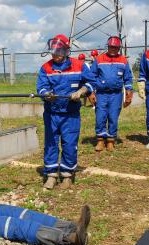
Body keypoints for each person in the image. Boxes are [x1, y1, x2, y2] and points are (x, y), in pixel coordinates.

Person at [37, 34, 96, 190]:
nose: (55, 55)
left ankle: (67, 175)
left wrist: (82, 90)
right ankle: (51, 175)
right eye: (53, 52)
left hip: (71, 114)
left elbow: (91, 82)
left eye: (58, 52)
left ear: (66, 51)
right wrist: (46, 94)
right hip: (52, 114)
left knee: (69, 144)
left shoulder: (79, 65)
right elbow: (41, 87)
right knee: (51, 144)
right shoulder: (46, 68)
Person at [89, 36, 133, 151]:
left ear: (119, 48)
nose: (113, 49)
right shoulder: (99, 59)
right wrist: (91, 92)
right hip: (101, 94)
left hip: (116, 95)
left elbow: (128, 78)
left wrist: (129, 93)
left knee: (113, 117)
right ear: (107, 47)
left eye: (115, 47)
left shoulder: (123, 60)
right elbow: (92, 77)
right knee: (100, 117)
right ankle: (100, 140)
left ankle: (110, 141)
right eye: (111, 47)